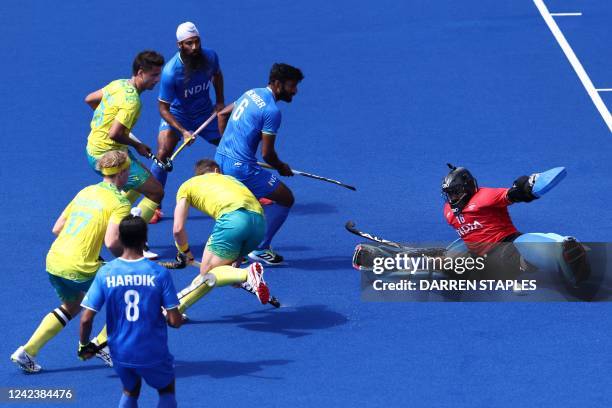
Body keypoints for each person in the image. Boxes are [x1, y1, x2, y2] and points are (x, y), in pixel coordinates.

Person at [10, 151, 132, 373]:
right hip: (80, 266)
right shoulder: (120, 201)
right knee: (131, 290)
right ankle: (100, 344)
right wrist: (129, 260)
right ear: (122, 173)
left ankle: (27, 351)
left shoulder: (85, 191)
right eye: (128, 170)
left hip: (54, 261)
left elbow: (57, 228)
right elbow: (112, 241)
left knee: (72, 305)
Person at [79, 214, 182, 408]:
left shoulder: (105, 272)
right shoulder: (159, 273)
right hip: (153, 351)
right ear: (145, 240)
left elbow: (85, 319)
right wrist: (171, 317)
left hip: (120, 352)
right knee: (166, 389)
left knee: (130, 391)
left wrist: (85, 346)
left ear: (119, 239)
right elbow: (175, 321)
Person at [215, 63, 304, 265]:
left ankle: (236, 249)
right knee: (285, 198)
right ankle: (260, 248)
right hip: (242, 168)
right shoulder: (272, 111)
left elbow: (222, 115)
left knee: (245, 204)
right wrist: (282, 167)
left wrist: (231, 146)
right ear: (277, 84)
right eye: (292, 86)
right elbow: (268, 154)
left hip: (220, 158)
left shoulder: (251, 93)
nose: (295, 91)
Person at [441, 164, 590, 284]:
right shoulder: (448, 211)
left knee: (524, 246)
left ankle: (561, 247)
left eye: (455, 192)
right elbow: (469, 236)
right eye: (449, 193)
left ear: (467, 188)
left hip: (507, 245)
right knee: (448, 268)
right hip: (482, 257)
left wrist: (525, 187)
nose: (452, 197)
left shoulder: (485, 197)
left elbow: (512, 194)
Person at [163, 159, 271, 312]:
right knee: (211, 274)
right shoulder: (231, 180)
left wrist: (185, 252)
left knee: (207, 272)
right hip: (259, 224)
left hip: (232, 221)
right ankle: (177, 310)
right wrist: (233, 273)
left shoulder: (187, 186)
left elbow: (177, 229)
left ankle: (247, 273)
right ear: (216, 171)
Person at [149, 22, 225, 223]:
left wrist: (219, 101)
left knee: (230, 147)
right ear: (179, 45)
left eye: (197, 41)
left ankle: (249, 188)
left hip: (205, 113)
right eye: (189, 43)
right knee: (163, 154)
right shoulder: (170, 72)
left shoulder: (210, 57)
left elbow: (217, 75)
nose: (194, 47)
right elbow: (163, 109)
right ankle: (153, 205)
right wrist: (182, 131)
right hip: (178, 116)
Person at [85, 50, 165, 225]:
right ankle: (133, 240)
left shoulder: (118, 84)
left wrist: (107, 119)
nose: (157, 79)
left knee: (141, 180)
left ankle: (114, 220)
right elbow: (115, 134)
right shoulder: (133, 102)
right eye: (154, 75)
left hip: (93, 149)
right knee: (156, 192)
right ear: (140, 73)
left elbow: (90, 99)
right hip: (107, 156)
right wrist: (137, 145)